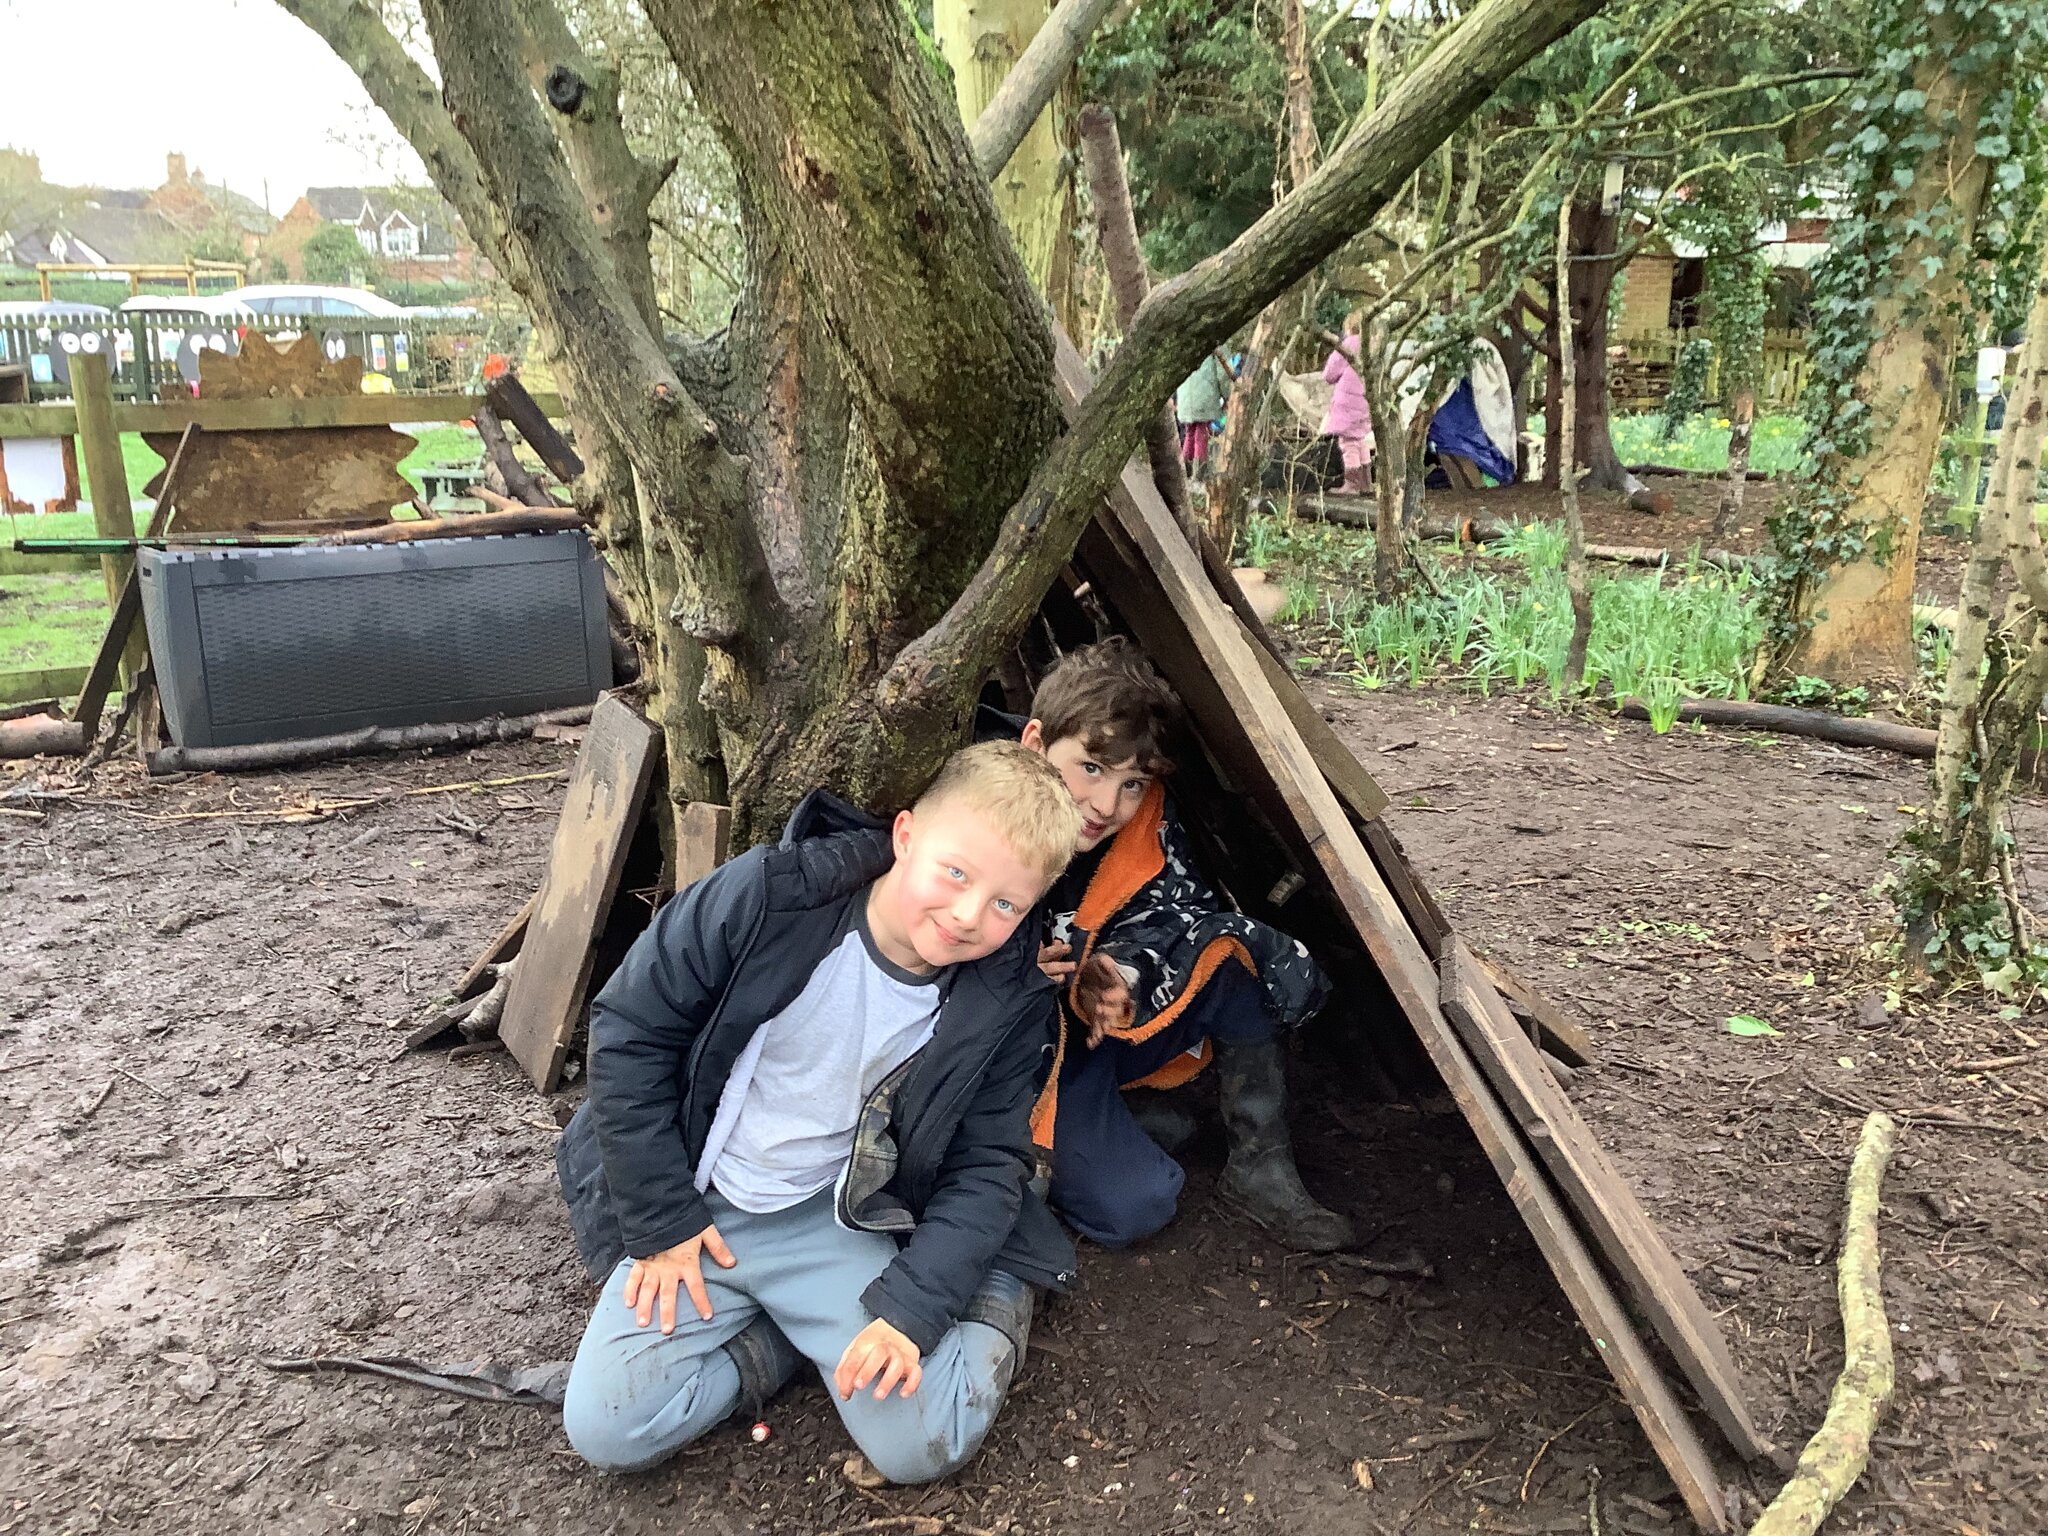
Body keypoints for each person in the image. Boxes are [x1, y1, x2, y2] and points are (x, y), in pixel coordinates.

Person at [553, 742, 1086, 1482]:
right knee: (611, 1428)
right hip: (701, 1202)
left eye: (1006, 904)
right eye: (956, 873)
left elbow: (986, 1163)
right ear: (906, 835)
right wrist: (662, 1219)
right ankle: (777, 1344)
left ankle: (997, 1290)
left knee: (919, 1446)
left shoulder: (1003, 1001)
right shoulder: (770, 895)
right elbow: (630, 1028)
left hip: (834, 1217)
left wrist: (913, 1310)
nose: (968, 914)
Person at [1010, 639, 1356, 1253]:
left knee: (1229, 949)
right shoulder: (981, 813)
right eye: (1090, 768)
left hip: (1094, 1033)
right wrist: (1010, 969)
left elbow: (1174, 912)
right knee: (1138, 1206)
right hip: (1020, 1062)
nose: (1107, 805)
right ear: (1035, 744)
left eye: (1133, 783)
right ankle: (1129, 1126)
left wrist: (1119, 972)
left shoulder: (1145, 826)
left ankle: (1260, 1167)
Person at [1320, 312, 1373, 495]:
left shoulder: (1348, 344)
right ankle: (1366, 483)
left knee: (1348, 442)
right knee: (1360, 439)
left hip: (1348, 401)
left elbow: (1330, 374)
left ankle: (1352, 484)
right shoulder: (1373, 344)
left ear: (1349, 327)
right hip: (1367, 400)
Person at [1175, 350, 1234, 480]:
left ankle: (1184, 472)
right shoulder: (1217, 348)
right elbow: (1223, 375)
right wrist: (1228, 396)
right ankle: (1199, 474)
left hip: (1185, 396)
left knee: (1190, 434)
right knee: (1201, 435)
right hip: (1204, 397)